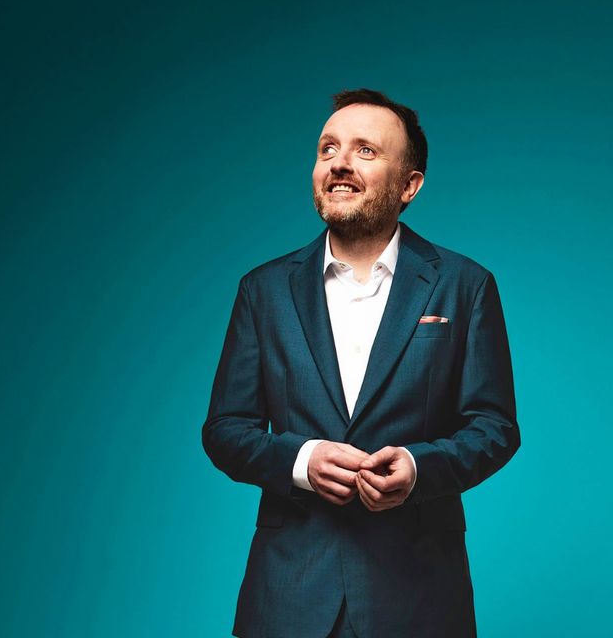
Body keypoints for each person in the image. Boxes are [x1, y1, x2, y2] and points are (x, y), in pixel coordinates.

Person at [202, 88, 520, 638]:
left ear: (409, 186)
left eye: (365, 151)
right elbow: (225, 429)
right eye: (328, 149)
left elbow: (495, 427)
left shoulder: (464, 286)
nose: (340, 163)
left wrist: (419, 469)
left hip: (420, 598)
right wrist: (301, 461)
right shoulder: (263, 290)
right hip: (288, 598)